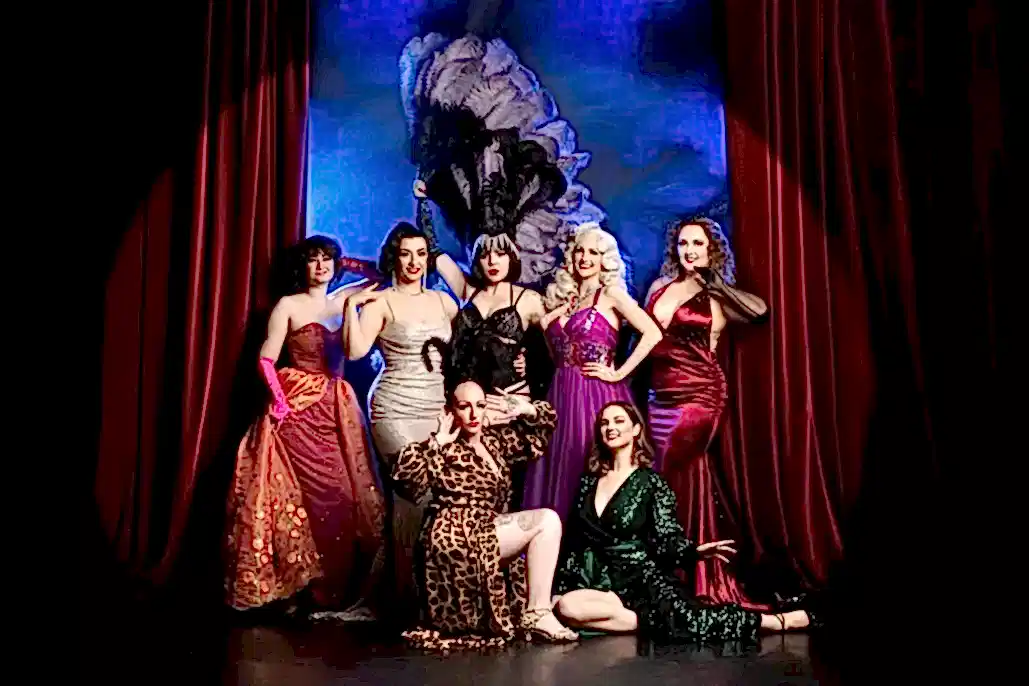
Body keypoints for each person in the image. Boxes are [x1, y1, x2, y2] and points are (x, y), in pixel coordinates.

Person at [552, 402, 815, 644]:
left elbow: (666, 536)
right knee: (566, 607)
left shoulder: (651, 483)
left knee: (694, 620)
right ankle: (659, 624)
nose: (610, 427)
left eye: (619, 421)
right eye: (604, 423)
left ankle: (776, 622)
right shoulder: (588, 483)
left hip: (637, 578)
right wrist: (561, 586)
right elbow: (576, 540)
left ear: (636, 430)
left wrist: (693, 551)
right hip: (595, 579)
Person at [224, 236, 386, 618]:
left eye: (327, 259)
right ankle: (298, 588)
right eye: (313, 259)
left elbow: (380, 273)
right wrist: (280, 402)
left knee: (342, 498)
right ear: (303, 266)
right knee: (302, 498)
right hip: (297, 406)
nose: (321, 266)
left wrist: (345, 264)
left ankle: (332, 591)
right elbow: (266, 359)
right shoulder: (289, 305)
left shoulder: (346, 298)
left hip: (337, 407)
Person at [392, 379, 578, 650]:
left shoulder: (494, 441)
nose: (473, 414)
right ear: (450, 411)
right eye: (464, 407)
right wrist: (437, 442)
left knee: (548, 522)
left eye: (479, 405)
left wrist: (528, 410)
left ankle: (537, 611)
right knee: (547, 521)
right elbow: (406, 482)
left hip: (487, 526)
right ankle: (538, 613)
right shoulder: (446, 447)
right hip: (455, 533)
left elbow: (539, 436)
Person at [643, 216, 767, 608]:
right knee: (675, 476)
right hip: (658, 398)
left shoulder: (719, 297)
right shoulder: (659, 287)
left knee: (670, 470)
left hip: (700, 396)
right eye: (683, 243)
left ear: (712, 249)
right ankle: (680, 574)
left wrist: (716, 283)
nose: (690, 251)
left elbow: (760, 312)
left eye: (698, 243)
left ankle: (685, 573)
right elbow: (645, 338)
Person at [344, 221, 458, 624]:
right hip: (393, 407)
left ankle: (405, 597)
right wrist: (350, 308)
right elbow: (355, 352)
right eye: (406, 254)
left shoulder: (444, 303)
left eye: (421, 254)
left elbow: (465, 351)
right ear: (394, 257)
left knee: (424, 501)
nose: (414, 262)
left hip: (435, 408)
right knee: (415, 488)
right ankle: (406, 599)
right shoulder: (382, 302)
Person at [521, 222, 663, 520]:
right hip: (560, 396)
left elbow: (653, 333)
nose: (585, 258)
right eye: (580, 251)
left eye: (594, 253)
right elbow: (557, 354)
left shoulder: (610, 295)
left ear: (605, 259)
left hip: (595, 395)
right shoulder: (566, 301)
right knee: (557, 468)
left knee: (586, 463)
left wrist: (620, 373)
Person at [412, 178, 543, 411]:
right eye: (485, 255)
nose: (493, 261)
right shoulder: (466, 290)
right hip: (467, 404)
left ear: (511, 257)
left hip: (507, 404)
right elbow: (433, 250)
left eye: (500, 254)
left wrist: (531, 362)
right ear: (477, 260)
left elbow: (558, 344)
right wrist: (422, 203)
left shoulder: (528, 300)